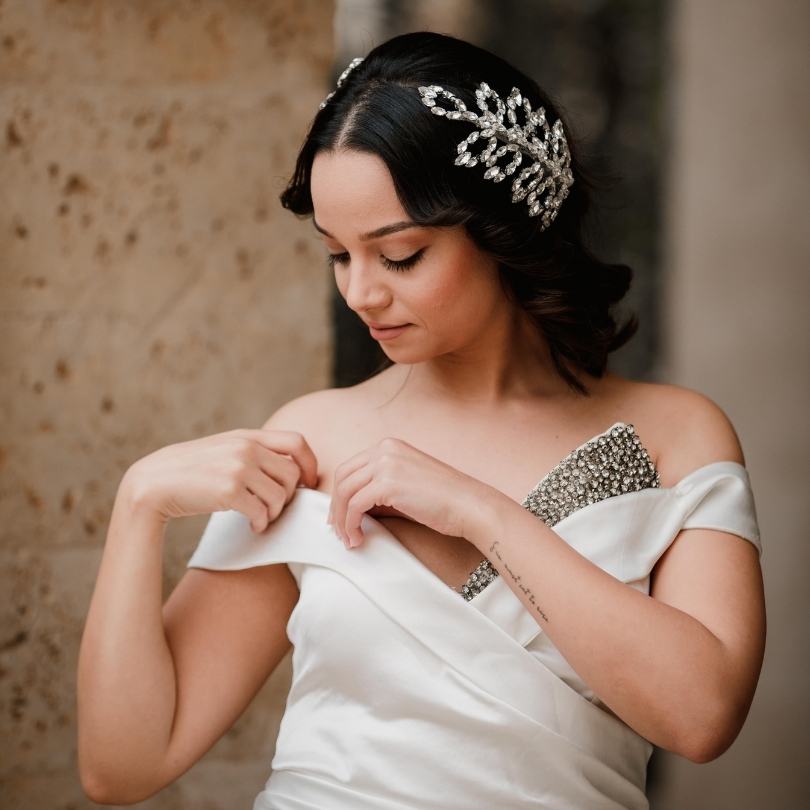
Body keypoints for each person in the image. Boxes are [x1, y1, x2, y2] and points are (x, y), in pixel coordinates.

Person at [77, 31, 766, 809]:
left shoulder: (674, 437)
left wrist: (479, 512)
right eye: (338, 254)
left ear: (505, 233)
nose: (361, 293)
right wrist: (138, 505)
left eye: (398, 255)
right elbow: (123, 765)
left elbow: (702, 716)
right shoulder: (316, 439)